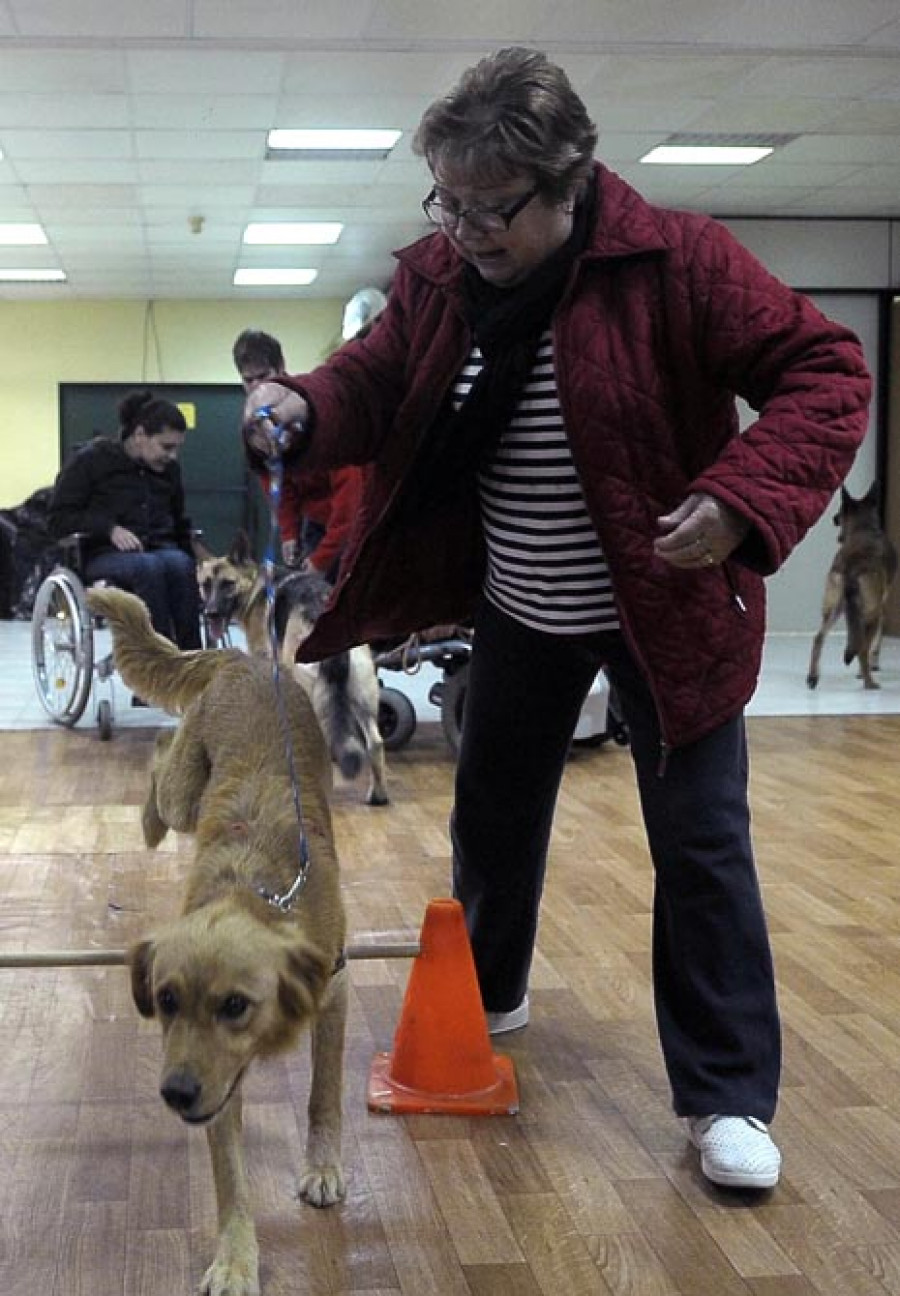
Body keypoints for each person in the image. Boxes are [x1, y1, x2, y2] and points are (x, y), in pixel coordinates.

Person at [240, 48, 871, 1191]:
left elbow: (827, 374)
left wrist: (740, 495)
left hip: (668, 609)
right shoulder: (438, 278)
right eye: (449, 201)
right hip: (521, 602)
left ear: (570, 182)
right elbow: (372, 384)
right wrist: (302, 400)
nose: (465, 228)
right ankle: (489, 994)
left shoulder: (678, 260)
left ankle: (728, 1097)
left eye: (494, 207)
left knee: (702, 847)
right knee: (491, 813)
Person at [49, 389, 202, 652]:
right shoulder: (91, 461)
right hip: (103, 554)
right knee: (149, 567)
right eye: (167, 447)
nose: (173, 456)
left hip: (160, 549)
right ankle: (158, 667)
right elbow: (59, 518)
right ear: (140, 435)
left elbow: (178, 520)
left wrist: (198, 557)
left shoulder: (168, 471)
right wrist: (107, 528)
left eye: (177, 448)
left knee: (180, 564)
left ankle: (192, 661)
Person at [232, 329, 363, 581]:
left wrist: (322, 559)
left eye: (264, 376)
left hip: (352, 523)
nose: (258, 387)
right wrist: (289, 533)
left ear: (281, 368)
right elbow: (279, 487)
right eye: (249, 380)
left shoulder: (314, 410)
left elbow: (350, 499)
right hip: (314, 525)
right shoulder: (257, 425)